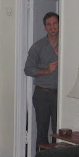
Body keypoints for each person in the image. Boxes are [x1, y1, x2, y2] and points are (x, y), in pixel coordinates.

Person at [24, 12, 59, 149]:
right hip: (42, 94)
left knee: (58, 131)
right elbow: (28, 70)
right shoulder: (37, 47)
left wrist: (63, 56)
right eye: (49, 24)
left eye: (55, 23)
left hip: (59, 94)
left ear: (59, 24)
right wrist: (47, 70)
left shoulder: (67, 45)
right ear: (45, 27)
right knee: (42, 131)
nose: (52, 27)